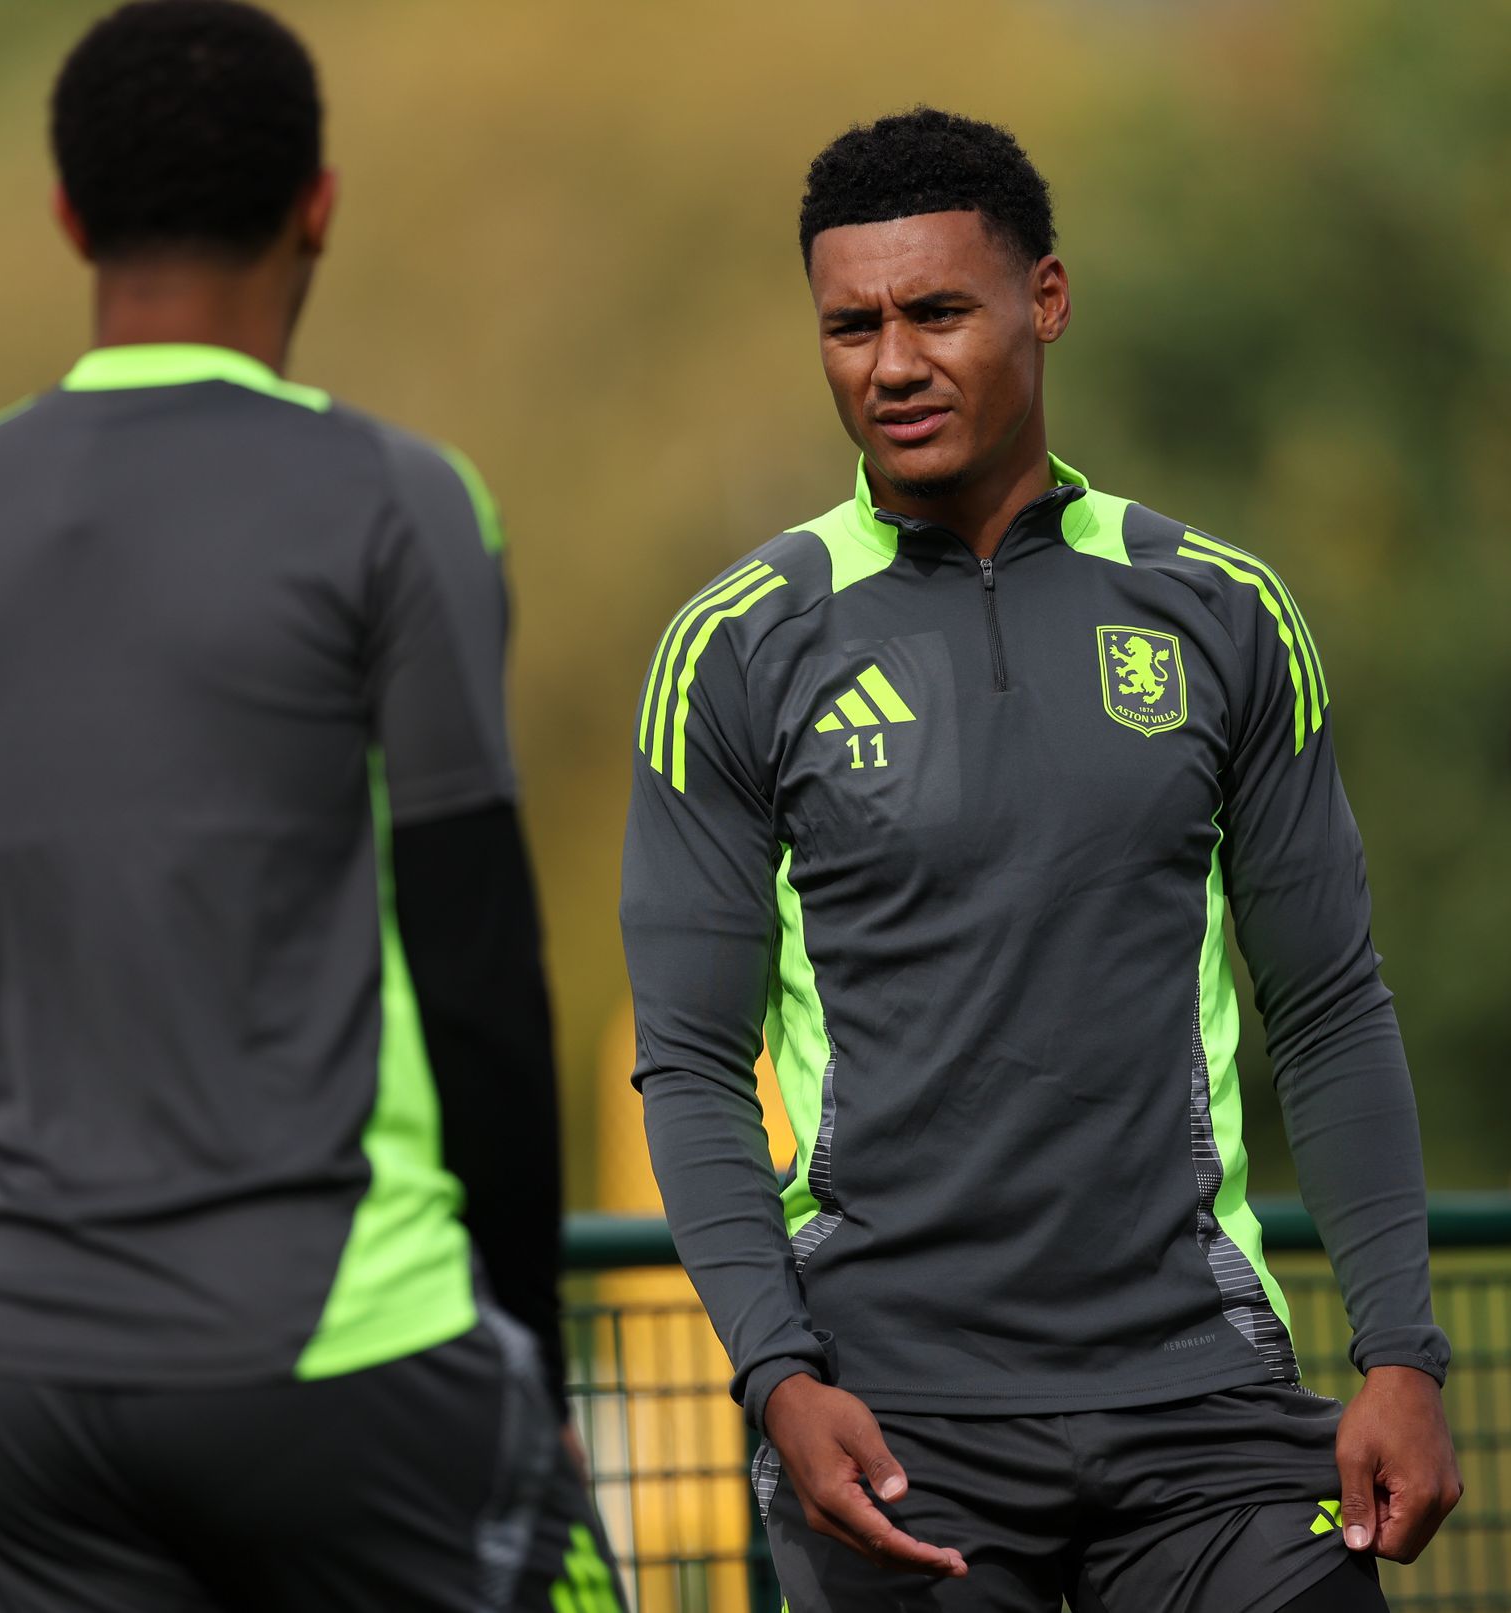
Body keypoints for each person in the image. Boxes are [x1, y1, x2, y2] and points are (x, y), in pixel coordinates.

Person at [0, 3, 623, 1609]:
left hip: (26, 1390)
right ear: (317, 204)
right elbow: (475, 973)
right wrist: (520, 1334)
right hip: (351, 1348)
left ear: (68, 218)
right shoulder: (399, 503)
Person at [620, 107, 1460, 1612]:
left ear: (1046, 301)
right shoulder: (736, 647)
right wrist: (776, 1373)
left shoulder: (1224, 613)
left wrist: (1400, 1349)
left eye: (938, 310)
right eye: (852, 324)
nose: (892, 362)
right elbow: (688, 1059)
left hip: (1201, 1396)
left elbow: (1327, 1002)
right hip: (892, 1412)